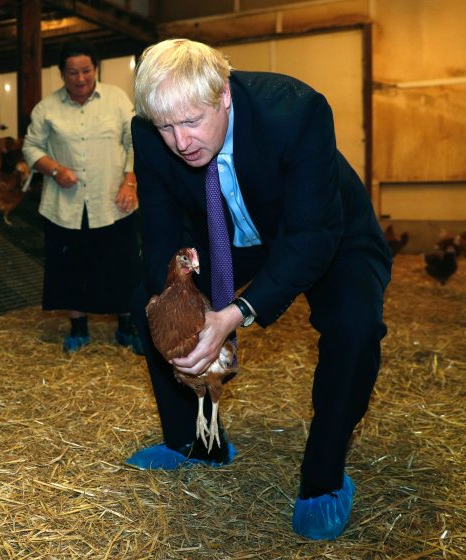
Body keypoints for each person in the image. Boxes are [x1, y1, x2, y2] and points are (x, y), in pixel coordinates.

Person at [125, 38, 392, 540]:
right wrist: (173, 300)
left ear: (223, 94)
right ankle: (196, 443)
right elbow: (159, 228)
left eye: (191, 122)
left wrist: (236, 313)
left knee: (353, 326)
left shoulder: (295, 111)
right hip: (227, 230)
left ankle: (324, 478)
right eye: (166, 127)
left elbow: (312, 236)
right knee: (149, 302)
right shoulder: (148, 130)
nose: (180, 142)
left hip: (323, 226)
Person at [22, 38, 143, 354]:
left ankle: (126, 328)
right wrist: (53, 169)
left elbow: (135, 143)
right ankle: (79, 330)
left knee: (122, 265)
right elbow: (30, 147)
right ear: (61, 74)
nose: (80, 79)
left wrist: (129, 182)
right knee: (70, 269)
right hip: (66, 205)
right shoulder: (46, 109)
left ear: (95, 68)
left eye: (86, 71)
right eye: (72, 72)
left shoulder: (117, 100)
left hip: (113, 201)